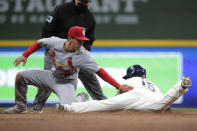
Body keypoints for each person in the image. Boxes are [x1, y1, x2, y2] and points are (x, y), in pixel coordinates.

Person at [4, 26, 121, 114]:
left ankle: (81, 98)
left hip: (67, 83)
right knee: (20, 76)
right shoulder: (55, 42)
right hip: (51, 76)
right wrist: (25, 55)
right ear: (70, 37)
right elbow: (39, 43)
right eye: (78, 40)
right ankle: (20, 107)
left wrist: (118, 86)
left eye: (82, 41)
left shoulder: (83, 55)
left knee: (68, 109)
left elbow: (100, 71)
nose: (81, 43)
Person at [32, 0, 107, 113]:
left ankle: (104, 104)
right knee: (49, 77)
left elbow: (90, 36)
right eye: (82, 1)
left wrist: (85, 49)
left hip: (77, 54)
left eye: (87, 2)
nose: (84, 4)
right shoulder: (61, 10)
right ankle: (37, 108)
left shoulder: (89, 17)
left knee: (90, 76)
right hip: (56, 52)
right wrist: (52, 49)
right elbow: (47, 29)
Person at [52, 65, 192, 113]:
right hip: (157, 101)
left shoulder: (132, 80)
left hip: (136, 96)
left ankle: (68, 108)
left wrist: (116, 98)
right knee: (162, 104)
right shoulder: (152, 83)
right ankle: (180, 86)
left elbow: (117, 98)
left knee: (103, 105)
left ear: (131, 75)